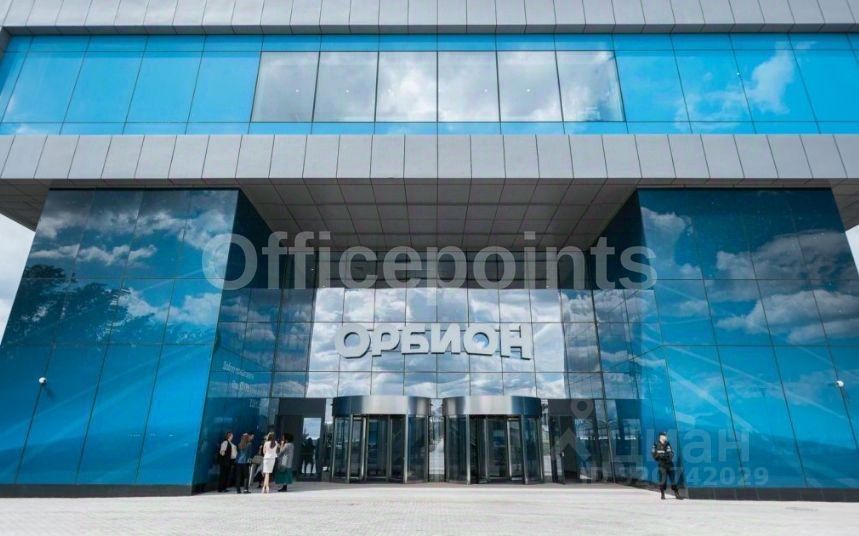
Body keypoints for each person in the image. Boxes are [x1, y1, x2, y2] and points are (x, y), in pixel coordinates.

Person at [651, 432, 682, 500]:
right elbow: (654, 454)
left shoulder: (667, 444)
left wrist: (663, 455)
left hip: (669, 464)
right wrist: (661, 455)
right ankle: (662, 494)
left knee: (673, 480)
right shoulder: (656, 444)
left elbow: (671, 453)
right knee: (663, 480)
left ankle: (677, 493)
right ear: (661, 436)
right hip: (662, 465)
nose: (666, 437)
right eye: (664, 436)